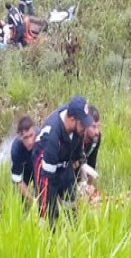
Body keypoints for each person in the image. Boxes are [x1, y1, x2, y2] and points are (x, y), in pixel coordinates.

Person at [32, 95, 93, 226]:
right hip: (46, 168)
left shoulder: (77, 127)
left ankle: (71, 233)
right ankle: (50, 236)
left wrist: (82, 163)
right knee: (50, 212)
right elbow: (46, 180)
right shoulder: (52, 136)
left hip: (63, 163)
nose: (85, 128)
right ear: (71, 119)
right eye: (83, 124)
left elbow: (78, 144)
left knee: (70, 205)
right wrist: (43, 211)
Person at [11, 115, 37, 204]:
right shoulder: (16, 150)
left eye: (31, 135)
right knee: (18, 196)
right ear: (20, 137)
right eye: (26, 137)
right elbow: (18, 180)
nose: (30, 141)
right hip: (25, 169)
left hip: (39, 167)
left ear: (34, 131)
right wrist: (33, 201)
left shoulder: (42, 139)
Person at [75, 105, 101, 183]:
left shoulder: (96, 139)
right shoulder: (76, 137)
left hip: (83, 167)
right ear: (85, 125)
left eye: (98, 126)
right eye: (93, 126)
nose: (97, 131)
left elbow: (92, 164)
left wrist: (89, 186)